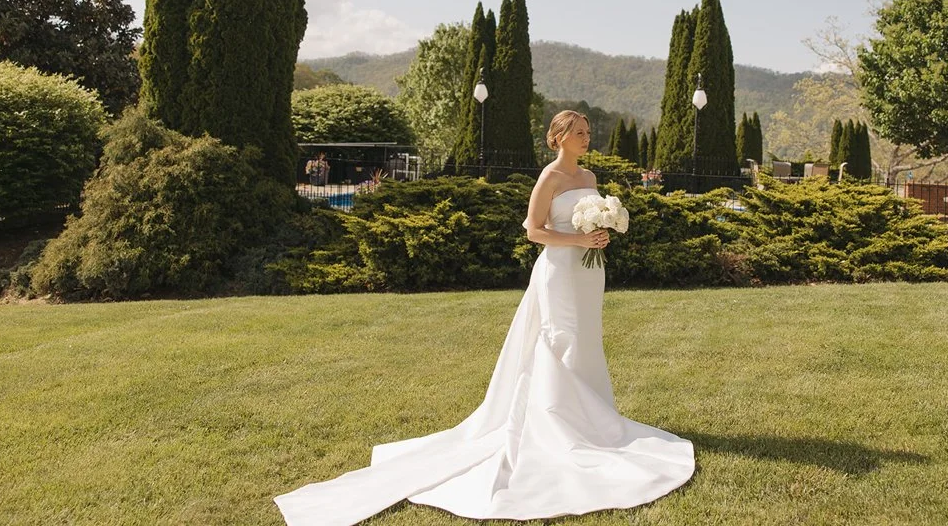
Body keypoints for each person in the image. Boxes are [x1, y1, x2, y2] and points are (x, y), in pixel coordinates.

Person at [274, 110, 695, 525]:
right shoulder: (549, 177)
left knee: (584, 341)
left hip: (589, 272)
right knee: (558, 341)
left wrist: (599, 235)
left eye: (588, 131)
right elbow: (533, 230)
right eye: (580, 132)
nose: (588, 137)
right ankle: (558, 424)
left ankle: (590, 420)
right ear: (559, 137)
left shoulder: (589, 179)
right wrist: (578, 237)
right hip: (559, 274)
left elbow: (583, 222)